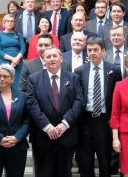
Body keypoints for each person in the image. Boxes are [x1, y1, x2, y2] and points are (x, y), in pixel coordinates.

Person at [26, 47, 84, 176]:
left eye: (55, 56)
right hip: (43, 136)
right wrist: (47, 126)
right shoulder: (33, 79)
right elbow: (31, 104)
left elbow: (79, 102)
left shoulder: (73, 78)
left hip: (67, 135)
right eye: (48, 57)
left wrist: (65, 123)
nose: (52, 59)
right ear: (43, 60)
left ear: (61, 58)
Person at [74, 37, 122, 177]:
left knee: (105, 160)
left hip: (104, 120)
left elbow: (116, 97)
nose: (92, 53)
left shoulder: (114, 70)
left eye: (96, 50)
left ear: (103, 51)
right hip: (85, 120)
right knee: (85, 161)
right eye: (89, 50)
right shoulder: (79, 71)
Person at [0, 14, 25, 89]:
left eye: (12, 21)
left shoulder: (18, 34)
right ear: (3, 23)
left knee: (18, 84)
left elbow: (23, 48)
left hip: (18, 63)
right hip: (4, 62)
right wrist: (12, 59)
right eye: (7, 21)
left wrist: (16, 59)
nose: (10, 23)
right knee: (5, 82)